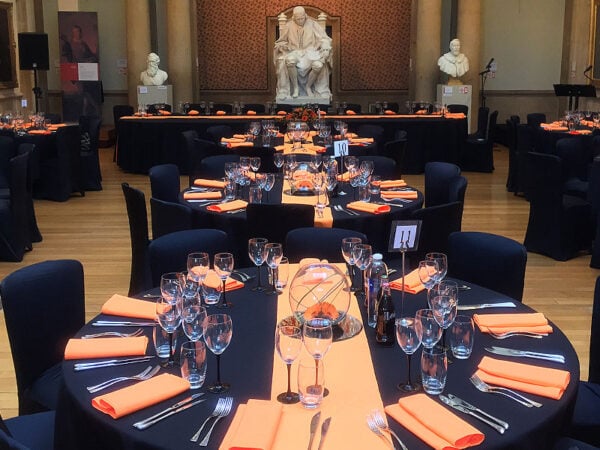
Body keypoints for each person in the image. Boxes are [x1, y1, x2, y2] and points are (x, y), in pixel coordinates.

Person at [274, 6, 332, 100]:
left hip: (310, 53)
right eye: (298, 19)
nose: (301, 21)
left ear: (305, 16)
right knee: (289, 60)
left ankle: (308, 87)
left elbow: (324, 38)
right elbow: (280, 41)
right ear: (294, 18)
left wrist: (325, 48)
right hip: (294, 52)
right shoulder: (288, 26)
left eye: (302, 18)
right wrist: (282, 46)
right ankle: (296, 88)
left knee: (318, 65)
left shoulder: (313, 24)